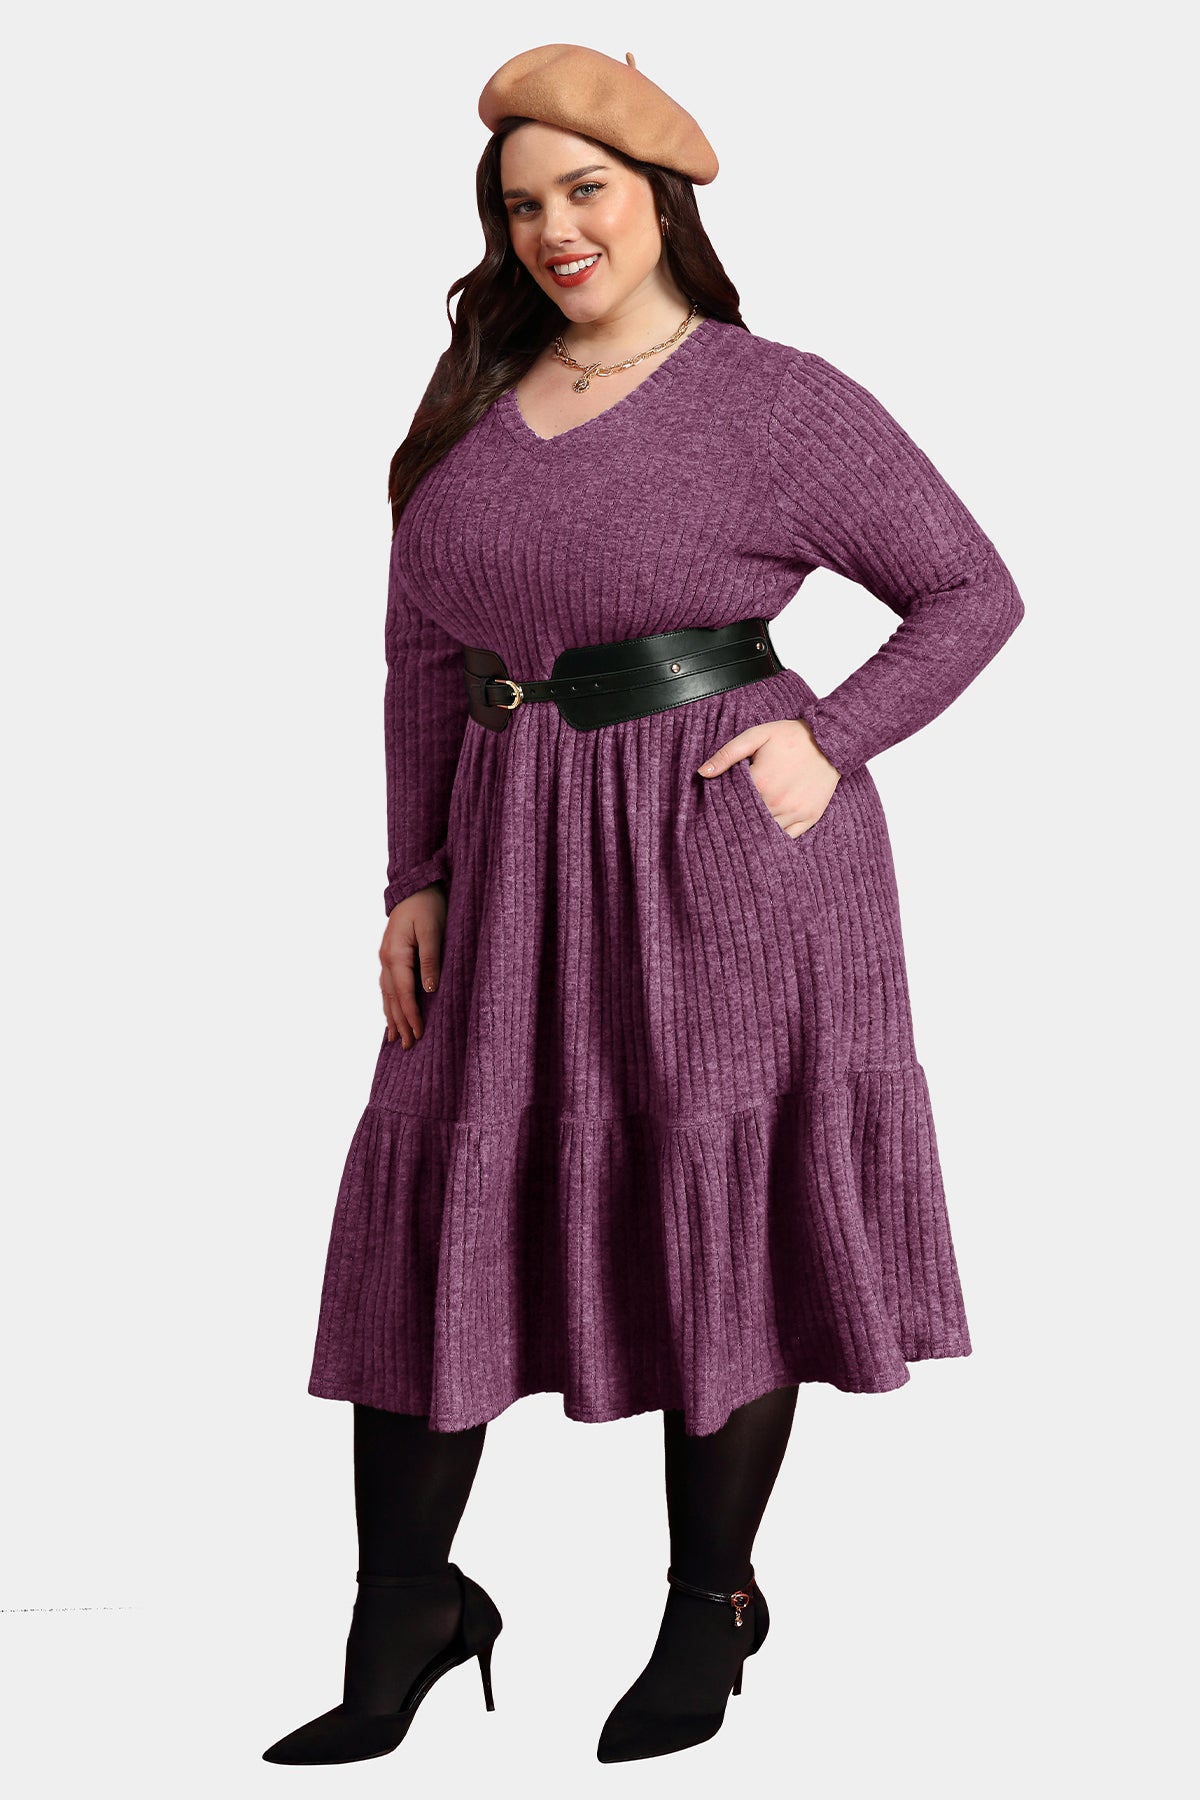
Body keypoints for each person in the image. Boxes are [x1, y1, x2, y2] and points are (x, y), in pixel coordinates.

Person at [263, 42, 1025, 1769]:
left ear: (661, 200)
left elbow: (970, 590)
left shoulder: (776, 399)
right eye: (523, 204)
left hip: (718, 857)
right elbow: (421, 664)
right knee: (445, 1192)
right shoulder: (470, 400)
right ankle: (406, 1608)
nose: (555, 230)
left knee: (716, 1198)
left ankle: (708, 1606)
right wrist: (412, 878)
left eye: (586, 190)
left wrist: (828, 740)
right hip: (507, 860)